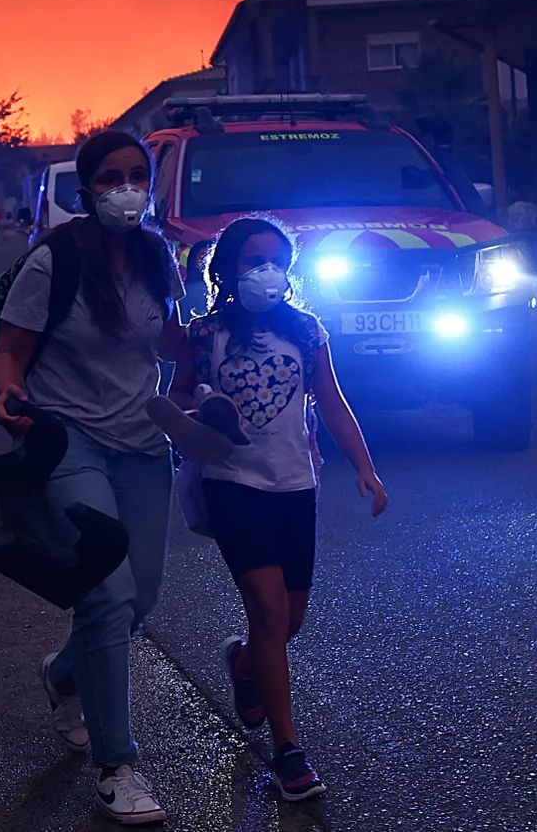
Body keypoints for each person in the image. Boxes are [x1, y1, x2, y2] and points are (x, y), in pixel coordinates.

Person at [0, 131, 183, 826]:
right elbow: (10, 355)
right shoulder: (54, 260)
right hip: (70, 440)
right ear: (87, 189)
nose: (126, 188)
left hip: (143, 443)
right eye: (112, 177)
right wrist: (8, 395)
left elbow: (169, 345)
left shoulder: (159, 255)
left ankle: (64, 672)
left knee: (142, 596)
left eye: (138, 175)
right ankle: (117, 765)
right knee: (108, 592)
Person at [168, 217, 389, 802]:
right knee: (267, 608)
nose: (265, 272)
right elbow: (177, 394)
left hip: (295, 485)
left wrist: (365, 467)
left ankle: (244, 666)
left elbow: (333, 403)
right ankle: (289, 752)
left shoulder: (308, 332)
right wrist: (197, 407)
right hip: (231, 482)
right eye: (252, 261)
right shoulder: (205, 333)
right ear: (228, 270)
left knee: (288, 622)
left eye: (276, 261)